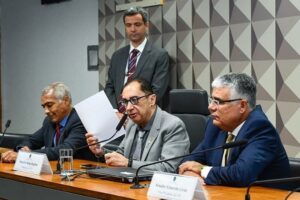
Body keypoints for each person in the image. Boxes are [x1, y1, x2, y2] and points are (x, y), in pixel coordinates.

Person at [179, 73, 290, 187]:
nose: (211, 107)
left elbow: (240, 175)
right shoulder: (215, 126)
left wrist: (201, 169)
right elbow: (188, 161)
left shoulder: (260, 128)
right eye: (211, 100)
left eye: (218, 102)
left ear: (242, 106)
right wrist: (189, 172)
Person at [86, 78, 190, 172]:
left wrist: (128, 163)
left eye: (134, 100)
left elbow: (168, 167)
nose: (128, 108)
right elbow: (121, 154)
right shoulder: (132, 124)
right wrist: (101, 151)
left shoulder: (173, 126)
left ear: (152, 100)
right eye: (125, 102)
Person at [1, 82, 94, 162]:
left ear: (66, 101)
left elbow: (65, 150)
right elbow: (31, 141)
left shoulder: (80, 120)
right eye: (43, 107)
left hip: (79, 174)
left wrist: (27, 156)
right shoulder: (49, 121)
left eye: (49, 105)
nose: (46, 111)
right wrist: (21, 150)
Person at [104, 6, 169, 110]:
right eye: (128, 25)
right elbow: (109, 88)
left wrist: (132, 111)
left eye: (137, 24)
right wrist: (116, 111)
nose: (133, 29)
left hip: (143, 115)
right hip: (117, 116)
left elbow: (157, 91)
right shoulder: (117, 56)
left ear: (146, 25)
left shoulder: (159, 55)